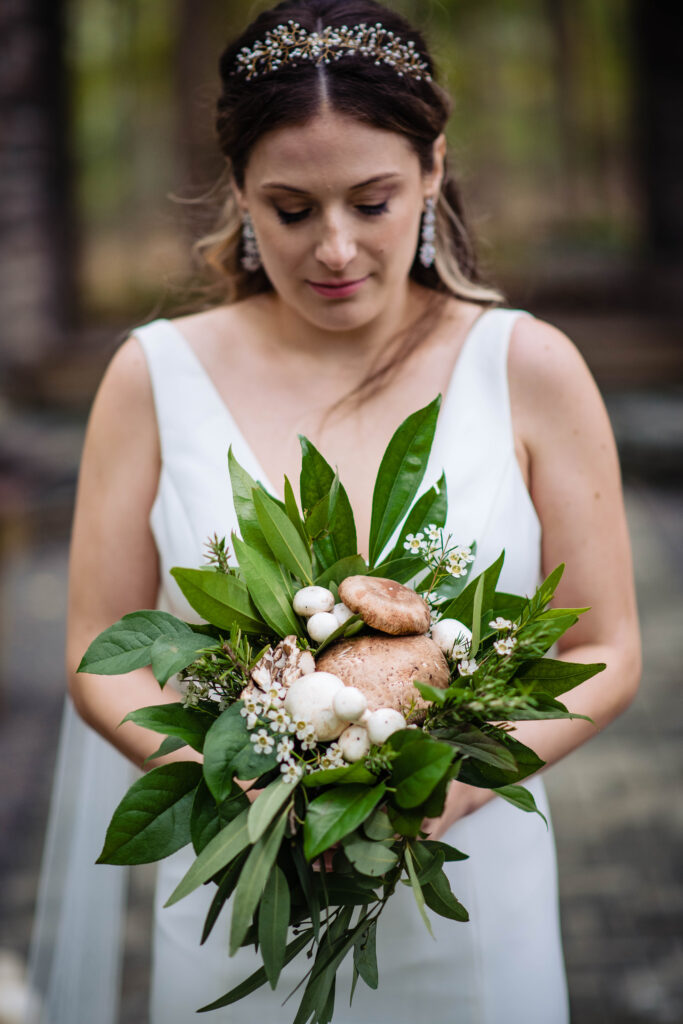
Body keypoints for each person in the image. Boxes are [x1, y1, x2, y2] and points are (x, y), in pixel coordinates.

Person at [29, 1, 641, 1022]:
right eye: (292, 208)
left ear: (433, 171)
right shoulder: (153, 377)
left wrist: (454, 785)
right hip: (243, 908)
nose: (336, 248)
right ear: (239, 195)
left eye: (371, 200)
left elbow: (605, 644)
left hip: (468, 893)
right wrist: (236, 788)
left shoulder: (525, 366)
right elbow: (100, 639)